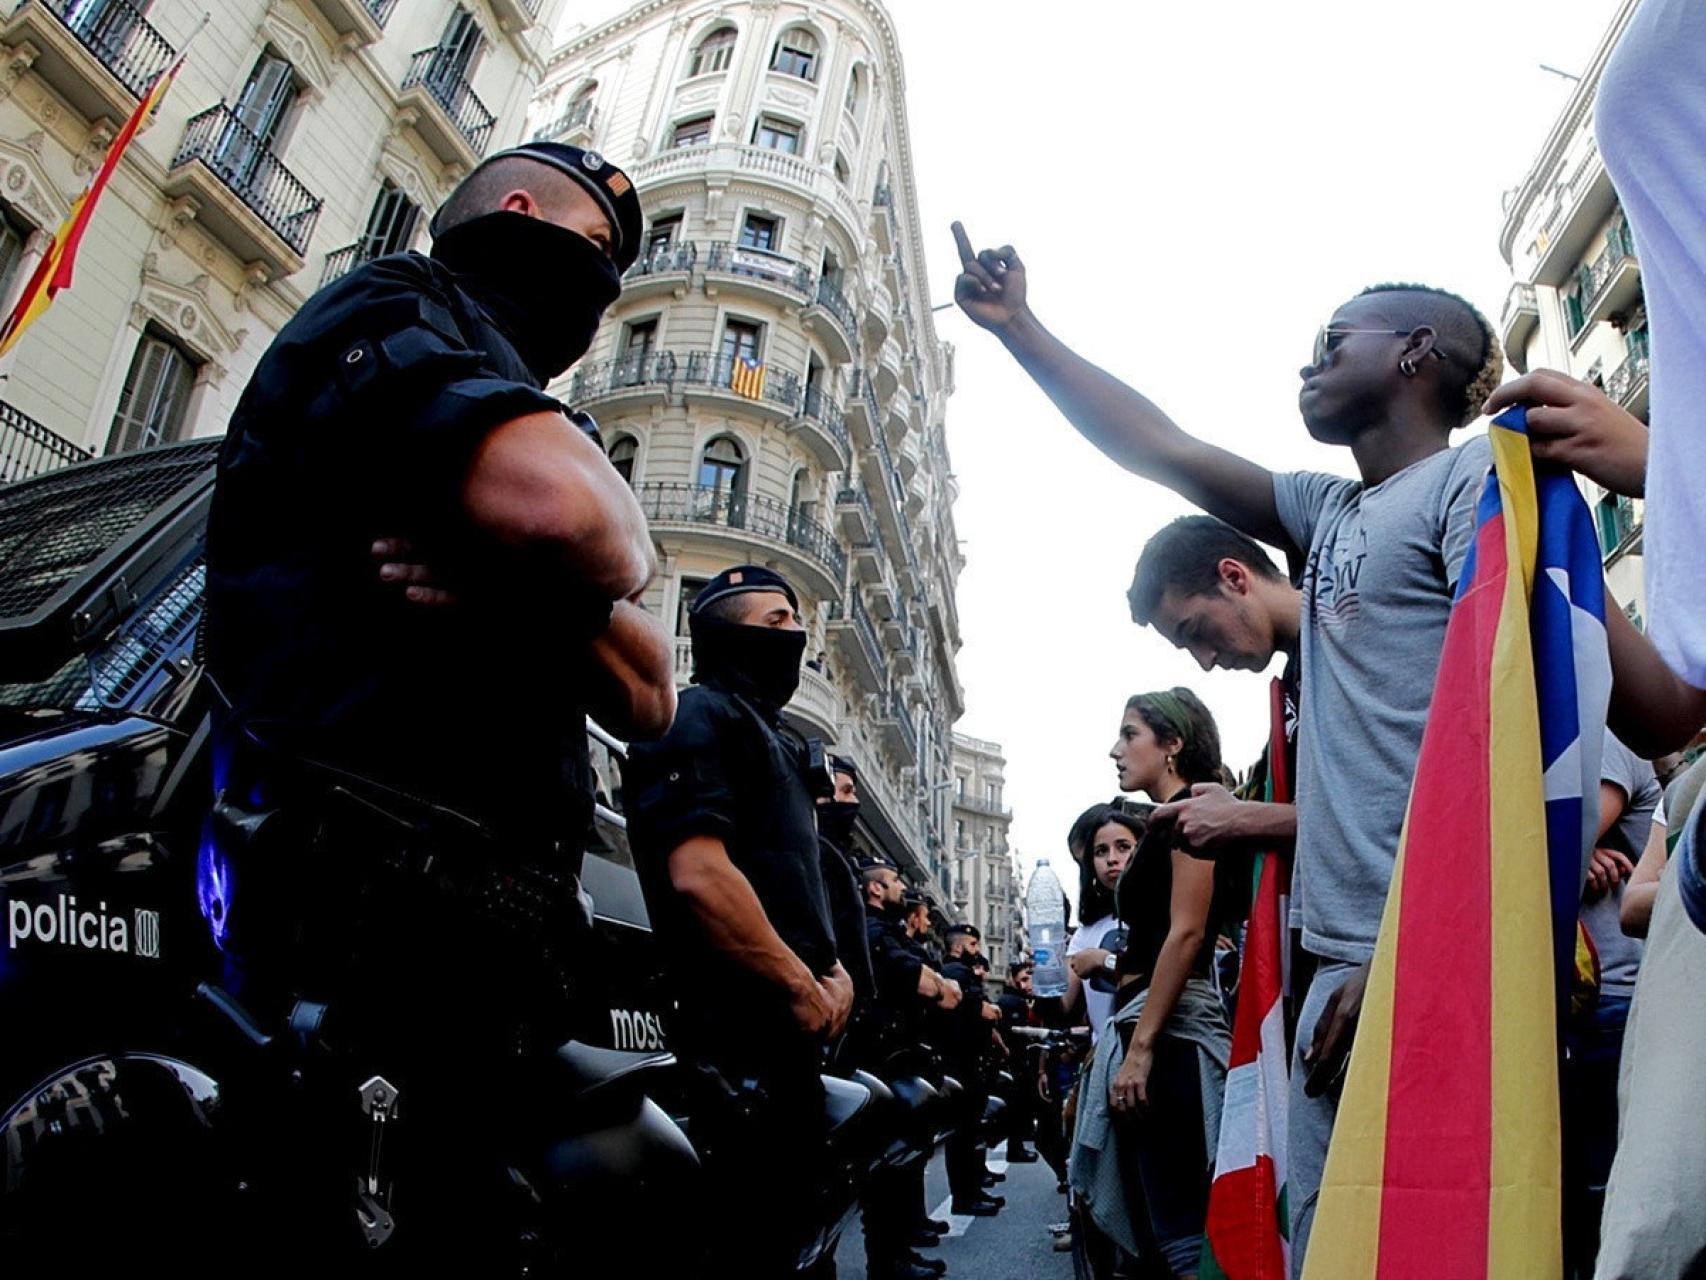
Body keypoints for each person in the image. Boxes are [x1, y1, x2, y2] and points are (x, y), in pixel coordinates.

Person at [950, 225, 1532, 1272]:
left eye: (1331, 339)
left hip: (1418, 950)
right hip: (1330, 955)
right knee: (1319, 1239)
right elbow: (1163, 447)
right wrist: (1023, 333)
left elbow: (1494, 743)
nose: (1308, 361)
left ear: (1413, 352)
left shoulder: (1471, 485)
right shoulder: (1326, 509)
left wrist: (1400, 955)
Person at [200, 142, 673, 1264]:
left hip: (498, 948)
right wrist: (559, 570)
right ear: (519, 213)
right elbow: (585, 525)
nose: (600, 303)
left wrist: (522, 592)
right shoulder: (394, 305)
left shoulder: (539, 408)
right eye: (598, 256)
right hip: (366, 927)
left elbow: (650, 685)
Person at [625, 565, 854, 1279]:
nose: (797, 637)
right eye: (776, 622)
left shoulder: (782, 745)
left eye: (797, 621)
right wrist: (798, 987)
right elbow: (700, 875)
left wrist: (836, 977)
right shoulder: (698, 714)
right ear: (726, 634)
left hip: (793, 1045)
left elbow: (797, 883)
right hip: (732, 1052)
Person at [1077, 694, 1233, 1280]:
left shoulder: (1195, 812)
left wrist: (1140, 1048)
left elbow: (1188, 933)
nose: (1116, 750)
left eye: (1130, 734)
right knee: (1160, 1222)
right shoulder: (1168, 821)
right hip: (1153, 1028)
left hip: (1170, 1039)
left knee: (1180, 1225)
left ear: (1172, 745)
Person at [1564, 735, 1662, 1275]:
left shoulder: (1605, 737)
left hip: (1612, 1005)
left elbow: (1554, 848)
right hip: (1582, 1008)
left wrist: (1578, 852)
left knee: (1604, 1198)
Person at [858, 860, 955, 1280]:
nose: (902, 888)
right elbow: (931, 987)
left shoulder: (888, 934)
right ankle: (888, 1262)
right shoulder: (874, 932)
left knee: (903, 1160)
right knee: (887, 1169)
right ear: (875, 890)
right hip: (882, 1060)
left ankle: (898, 1252)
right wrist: (936, 984)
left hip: (902, 1058)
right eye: (895, 882)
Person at [937, 923, 1006, 1216]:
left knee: (970, 1132)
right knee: (963, 1134)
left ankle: (971, 1192)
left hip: (968, 1061)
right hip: (961, 1062)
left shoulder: (959, 974)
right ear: (958, 946)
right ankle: (965, 1198)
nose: (977, 953)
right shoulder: (956, 973)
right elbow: (975, 1009)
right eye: (973, 945)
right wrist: (985, 1011)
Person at [1065, 801, 1130, 1043]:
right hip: (1107, 1056)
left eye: (1122, 847)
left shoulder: (1169, 913)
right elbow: (1062, 1002)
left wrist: (1103, 961)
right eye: (1100, 852)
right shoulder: (1086, 933)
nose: (1111, 860)